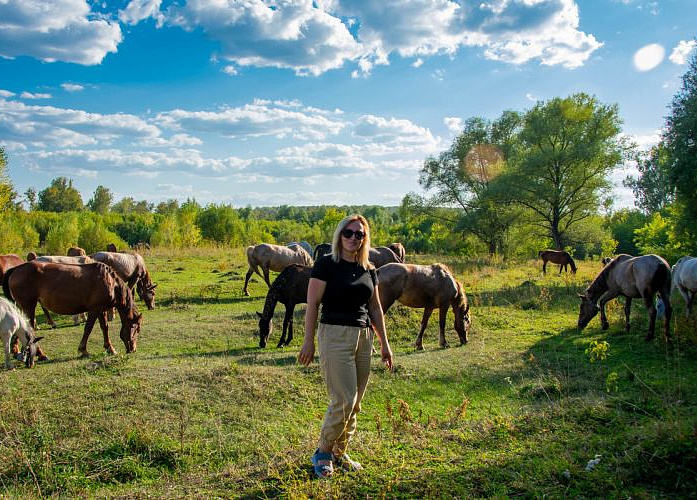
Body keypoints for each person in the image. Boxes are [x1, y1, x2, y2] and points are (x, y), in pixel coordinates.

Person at [298, 214, 393, 479]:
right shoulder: (327, 264)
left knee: (356, 403)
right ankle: (323, 451)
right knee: (344, 400)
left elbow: (375, 307)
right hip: (335, 335)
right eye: (348, 233)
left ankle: (341, 452)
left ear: (365, 238)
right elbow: (313, 304)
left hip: (364, 338)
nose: (353, 238)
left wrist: (385, 343)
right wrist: (308, 341)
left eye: (359, 234)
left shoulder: (369, 268)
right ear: (340, 235)